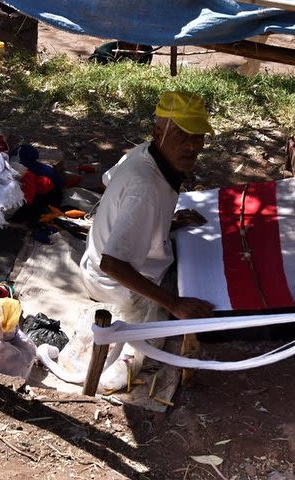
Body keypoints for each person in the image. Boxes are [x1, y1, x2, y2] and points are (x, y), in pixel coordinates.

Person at [79, 91, 215, 372]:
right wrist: (174, 303)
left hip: (95, 265)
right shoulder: (146, 189)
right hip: (113, 286)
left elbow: (108, 180)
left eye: (198, 136)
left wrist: (164, 223)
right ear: (158, 132)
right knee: (202, 290)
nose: (192, 146)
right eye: (182, 135)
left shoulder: (144, 153)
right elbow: (112, 263)